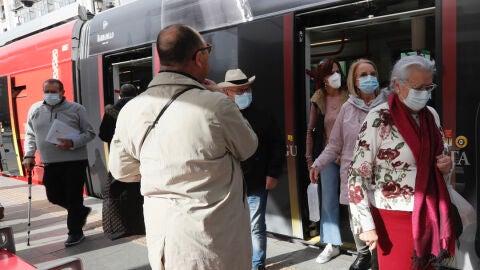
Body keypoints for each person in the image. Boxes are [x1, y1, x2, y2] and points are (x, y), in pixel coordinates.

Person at [108, 24, 258, 270]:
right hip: (214, 244)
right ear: (199, 57)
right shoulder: (216, 106)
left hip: (163, 242)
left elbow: (122, 170)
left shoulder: (131, 109)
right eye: (207, 50)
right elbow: (248, 147)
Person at [348, 55, 455, 269]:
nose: (424, 93)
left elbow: (442, 155)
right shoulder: (378, 118)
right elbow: (357, 175)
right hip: (392, 218)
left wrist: (446, 165)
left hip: (429, 211)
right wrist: (365, 225)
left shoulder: (431, 115)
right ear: (397, 85)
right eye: (418, 87)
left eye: (429, 87)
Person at [310, 59, 388, 269]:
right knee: (358, 224)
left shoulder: (388, 105)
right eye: (363, 75)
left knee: (382, 229)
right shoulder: (348, 108)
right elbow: (334, 144)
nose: (369, 78)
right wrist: (316, 164)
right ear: (354, 80)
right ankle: (363, 255)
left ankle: (378, 261)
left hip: (384, 181)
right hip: (355, 181)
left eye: (372, 73)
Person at [218, 69, 285, 270]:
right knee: (231, 227)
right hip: (228, 185)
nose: (244, 94)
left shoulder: (263, 114)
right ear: (227, 93)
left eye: (246, 89)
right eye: (238, 91)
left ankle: (257, 265)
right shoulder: (220, 116)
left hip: (256, 181)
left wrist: (273, 172)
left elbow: (277, 144)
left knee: (255, 226)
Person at [22, 78, 95, 247]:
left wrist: (72, 142)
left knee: (73, 197)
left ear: (62, 93)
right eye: (46, 92)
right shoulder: (35, 109)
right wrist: (29, 154)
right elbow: (31, 134)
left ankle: (75, 232)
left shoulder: (76, 109)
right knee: (53, 196)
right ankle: (80, 211)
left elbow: (90, 133)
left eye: (53, 92)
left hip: (74, 161)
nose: (49, 95)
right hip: (50, 162)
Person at [305, 58, 348, 263]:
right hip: (328, 156)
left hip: (351, 156)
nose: (336, 75)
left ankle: (365, 245)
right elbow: (311, 132)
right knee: (329, 201)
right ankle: (332, 244)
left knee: (356, 199)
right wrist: (310, 160)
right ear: (323, 78)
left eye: (338, 71)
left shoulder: (350, 95)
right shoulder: (319, 98)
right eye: (331, 72)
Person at [99, 83, 144, 240]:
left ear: (120, 95)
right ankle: (140, 225)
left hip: (118, 159)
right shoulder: (141, 108)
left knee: (117, 195)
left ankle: (121, 228)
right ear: (137, 93)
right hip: (139, 158)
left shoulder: (112, 111)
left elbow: (103, 135)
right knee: (139, 194)